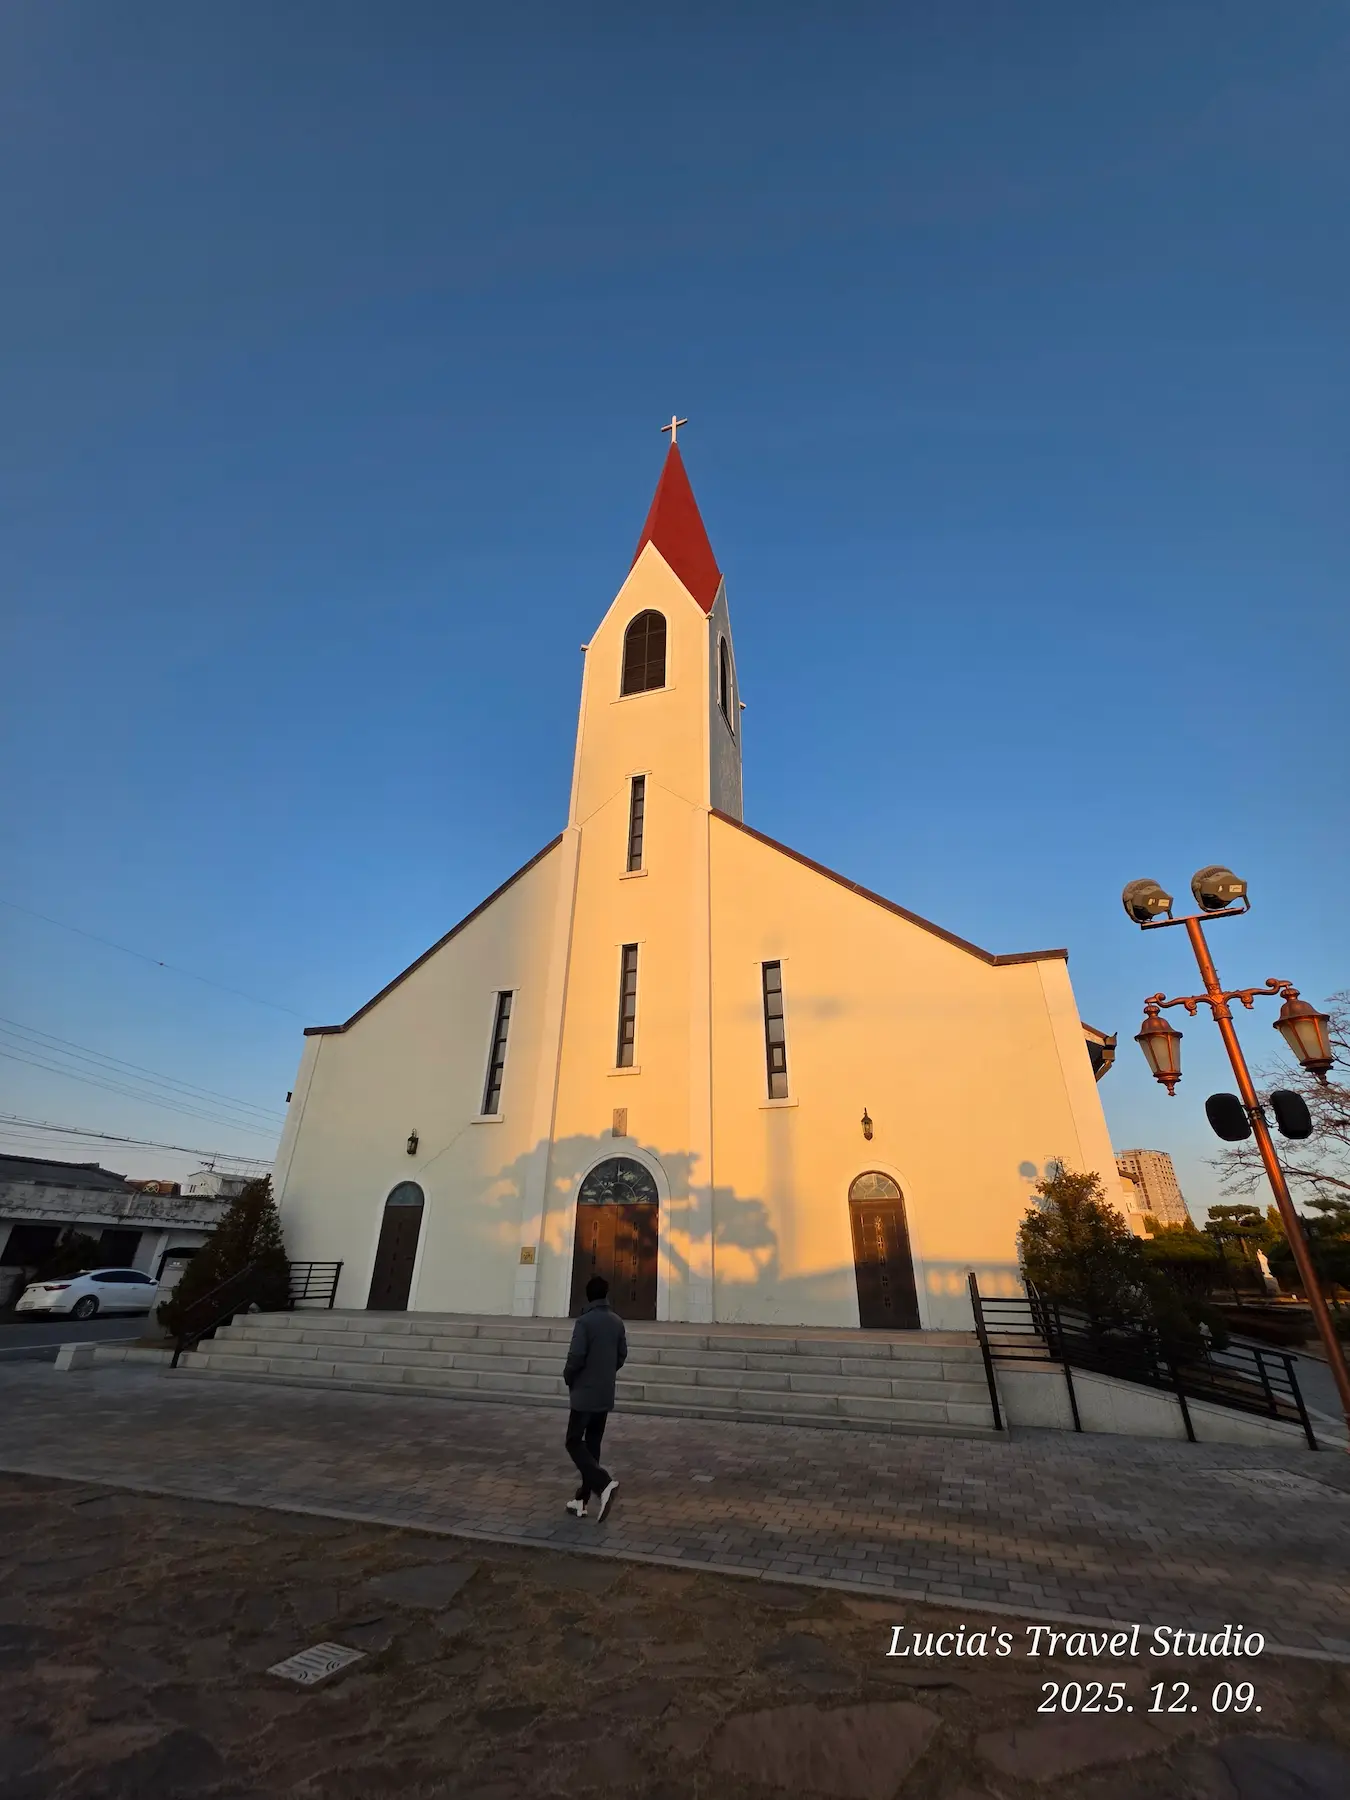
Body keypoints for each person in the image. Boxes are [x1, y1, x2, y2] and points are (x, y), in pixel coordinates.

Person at [562, 1273, 627, 1522]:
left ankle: (604, 1483)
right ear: (606, 1295)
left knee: (573, 1441)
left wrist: (569, 1376)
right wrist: (605, 1373)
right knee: (592, 1446)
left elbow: (576, 1357)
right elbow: (622, 1354)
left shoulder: (584, 1323)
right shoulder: (617, 1322)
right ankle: (581, 1500)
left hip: (584, 1395)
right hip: (604, 1393)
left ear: (588, 1296)